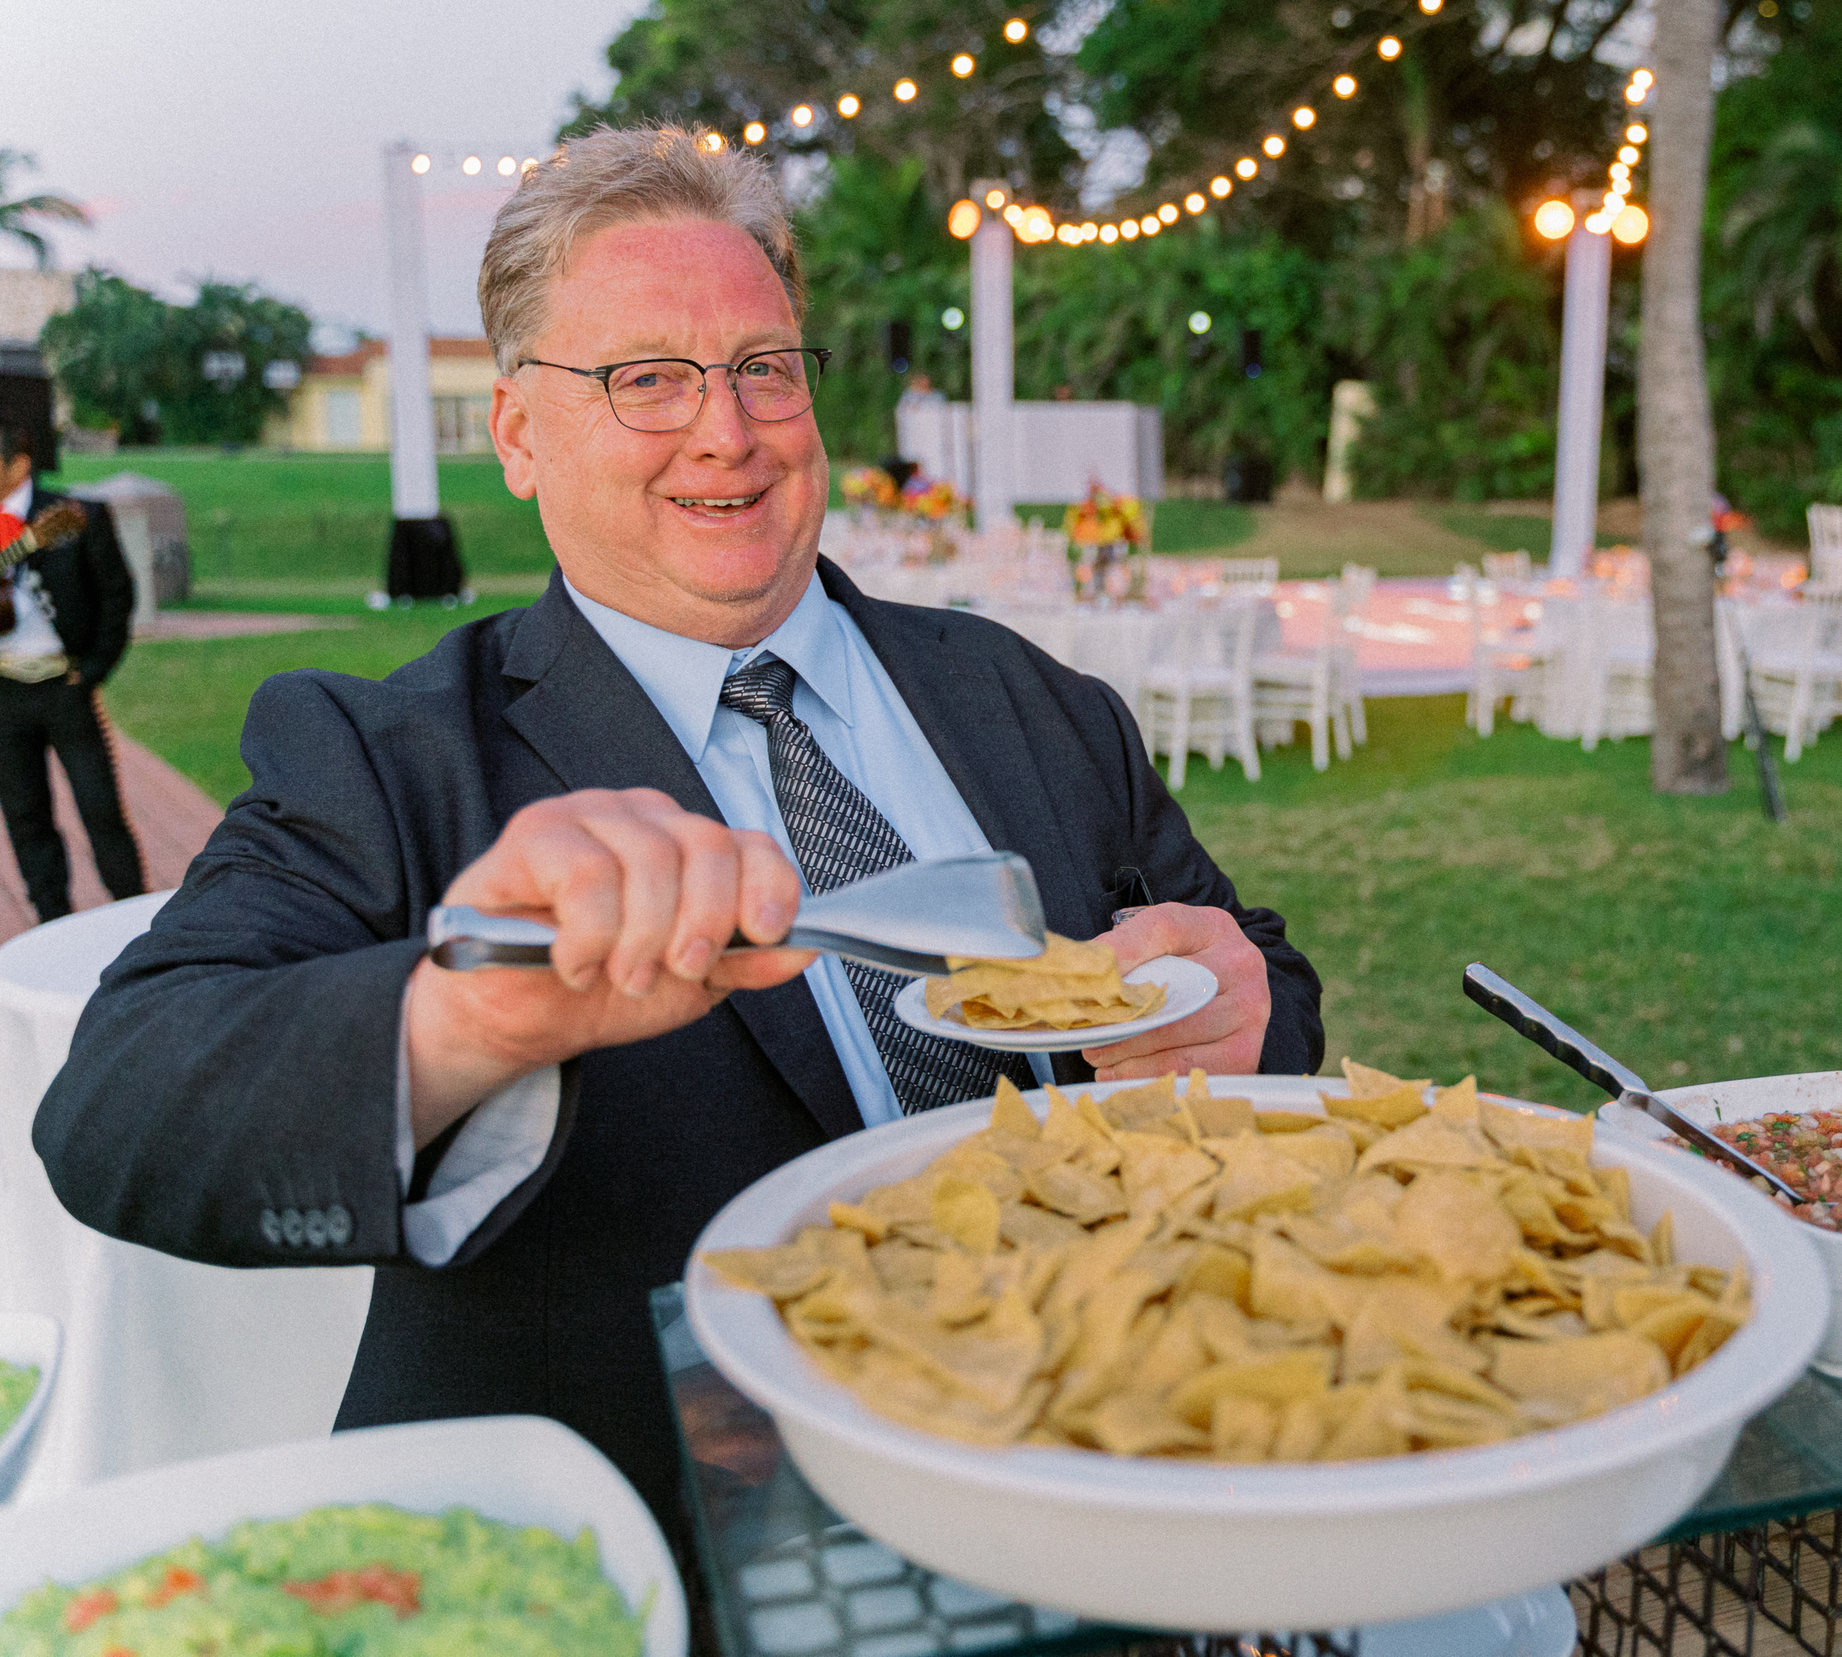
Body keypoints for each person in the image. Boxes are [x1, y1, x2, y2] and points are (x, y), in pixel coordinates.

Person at [35, 126, 1323, 1545]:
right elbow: (120, 1109)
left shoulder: (1025, 693)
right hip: (669, 1539)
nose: (729, 429)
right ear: (519, 433)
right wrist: (473, 1019)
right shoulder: (394, 754)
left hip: (1103, 1478)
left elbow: (1253, 980)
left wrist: (1243, 1007)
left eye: (765, 365)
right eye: (646, 379)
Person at [0, 415, 142, 921]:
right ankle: (51, 924)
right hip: (5, 696)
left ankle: (136, 918)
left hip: (66, 686)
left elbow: (117, 595)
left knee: (100, 808)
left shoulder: (72, 516)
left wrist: (95, 668)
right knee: (25, 817)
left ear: (19, 464)